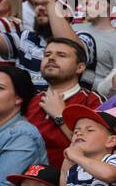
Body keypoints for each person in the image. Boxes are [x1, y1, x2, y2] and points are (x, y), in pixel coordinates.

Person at [23, 38, 102, 169]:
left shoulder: (92, 101)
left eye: (61, 55)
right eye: (47, 55)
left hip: (69, 183)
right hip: (25, 182)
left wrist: (60, 115)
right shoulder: (30, 100)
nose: (51, 58)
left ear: (80, 67)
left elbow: (95, 150)